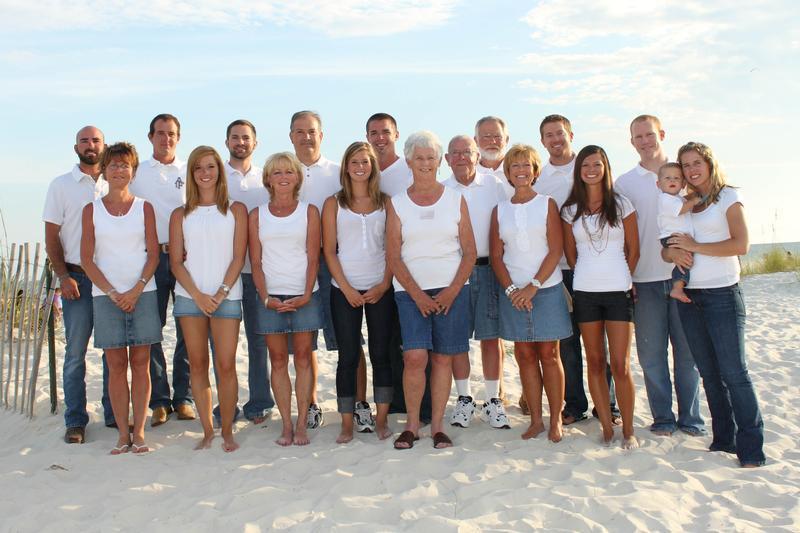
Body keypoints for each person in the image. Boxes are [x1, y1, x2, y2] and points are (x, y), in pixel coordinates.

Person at [665, 142, 765, 467]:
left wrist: (696, 246)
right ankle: (724, 441)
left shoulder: (728, 197)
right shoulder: (683, 203)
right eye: (686, 165)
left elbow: (741, 244)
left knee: (734, 373)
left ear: (709, 163)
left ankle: (752, 450)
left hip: (723, 294)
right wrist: (671, 252)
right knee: (709, 373)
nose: (692, 170)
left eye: (697, 162)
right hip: (689, 297)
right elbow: (668, 246)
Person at [387, 131, 477, 450]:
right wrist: (418, 295)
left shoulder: (455, 199)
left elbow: (469, 251)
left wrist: (452, 290)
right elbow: (393, 256)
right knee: (414, 357)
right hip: (410, 292)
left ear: (439, 162)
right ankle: (412, 425)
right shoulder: (397, 203)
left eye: (431, 158)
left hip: (452, 290)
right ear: (409, 161)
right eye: (419, 158)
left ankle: (437, 426)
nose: (425, 163)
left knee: (442, 359)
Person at [615, 115, 704, 437]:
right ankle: (663, 418)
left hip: (687, 276)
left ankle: (691, 419)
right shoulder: (624, 183)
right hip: (644, 279)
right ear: (632, 142)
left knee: (687, 355)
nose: (645, 141)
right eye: (638, 137)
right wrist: (627, 277)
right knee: (651, 356)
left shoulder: (684, 173)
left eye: (649, 134)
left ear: (661, 134)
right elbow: (621, 234)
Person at [535, 115, 620, 426]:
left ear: (570, 135)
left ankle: (607, 404)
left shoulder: (589, 168)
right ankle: (574, 405)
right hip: (559, 270)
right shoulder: (540, 179)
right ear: (542, 141)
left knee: (599, 343)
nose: (555, 139)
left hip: (595, 269)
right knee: (567, 342)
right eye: (549, 135)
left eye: (560, 133)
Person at [80, 142, 160, 454]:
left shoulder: (144, 208)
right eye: (113, 165)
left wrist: (136, 289)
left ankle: (138, 432)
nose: (119, 170)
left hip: (143, 293)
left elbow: (153, 255)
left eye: (125, 165)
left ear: (133, 171)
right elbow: (87, 259)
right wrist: (113, 293)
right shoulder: (92, 210)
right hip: (106, 296)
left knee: (140, 363)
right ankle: (122, 434)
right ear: (104, 170)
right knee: (115, 365)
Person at [561, 145, 640, 449]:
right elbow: (571, 254)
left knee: (620, 364)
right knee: (595, 361)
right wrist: (587, 275)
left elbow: (633, 249)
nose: (591, 170)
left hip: (619, 292)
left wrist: (624, 278)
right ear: (579, 171)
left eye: (597, 164)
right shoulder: (570, 210)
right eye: (585, 165)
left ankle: (628, 430)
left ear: (605, 167)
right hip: (585, 293)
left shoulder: (622, 205)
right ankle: (606, 428)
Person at [169, 146, 247, 452]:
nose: (205, 173)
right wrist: (199, 296)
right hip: (190, 299)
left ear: (219, 171)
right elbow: (176, 262)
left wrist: (220, 292)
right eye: (198, 168)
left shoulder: (235, 210)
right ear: (191, 173)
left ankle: (227, 430)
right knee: (198, 365)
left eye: (210, 167)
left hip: (227, 297)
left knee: (226, 365)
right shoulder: (180, 215)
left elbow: (239, 257)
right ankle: (207, 431)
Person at [491, 144, 571, 441]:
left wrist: (533, 286)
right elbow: (496, 256)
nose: (521, 171)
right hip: (513, 293)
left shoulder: (547, 204)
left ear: (535, 171)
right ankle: (536, 420)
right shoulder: (500, 210)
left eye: (526, 165)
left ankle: (555, 419)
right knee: (524, 354)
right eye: (515, 166)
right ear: (508, 173)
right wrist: (513, 289)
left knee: (549, 354)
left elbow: (556, 249)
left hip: (546, 289)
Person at [42, 125, 114, 443]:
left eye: (96, 140)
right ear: (76, 148)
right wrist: (63, 276)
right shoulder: (61, 185)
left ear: (104, 146)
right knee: (75, 354)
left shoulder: (116, 181)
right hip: (77, 279)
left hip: (110, 279)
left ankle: (113, 414)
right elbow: (51, 237)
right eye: (84, 141)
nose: (90, 145)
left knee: (112, 351)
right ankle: (75, 420)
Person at [323, 142, 395, 443]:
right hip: (344, 289)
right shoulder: (333, 203)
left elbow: (393, 248)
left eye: (365, 161)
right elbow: (329, 251)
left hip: (380, 287)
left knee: (381, 354)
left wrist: (384, 284)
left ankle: (381, 421)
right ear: (346, 167)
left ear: (372, 166)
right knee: (348, 355)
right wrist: (347, 288)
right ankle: (346, 424)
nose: (360, 167)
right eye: (354, 161)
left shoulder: (386, 202)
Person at [250, 152, 323, 446]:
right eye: (276, 172)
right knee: (278, 360)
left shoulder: (309, 212)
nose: (283, 177)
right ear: (268, 179)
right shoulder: (257, 215)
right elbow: (256, 262)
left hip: (304, 294)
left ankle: (302, 423)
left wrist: (306, 294)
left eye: (289, 172)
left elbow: (313, 257)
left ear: (298, 177)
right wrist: (265, 297)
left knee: (303, 358)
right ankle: (286, 424)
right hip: (271, 298)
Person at [129, 114, 195, 427]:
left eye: (171, 134)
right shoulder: (137, 172)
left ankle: (184, 398)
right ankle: (159, 401)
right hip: (150, 258)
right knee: (151, 330)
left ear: (178, 138)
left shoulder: (190, 170)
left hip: (184, 258)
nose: (166, 139)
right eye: (160, 133)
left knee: (187, 328)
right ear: (150, 137)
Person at [366, 112, 430, 422]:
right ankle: (394, 402)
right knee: (386, 338)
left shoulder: (407, 170)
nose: (380, 138)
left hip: (409, 265)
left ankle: (423, 405)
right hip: (374, 266)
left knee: (413, 340)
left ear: (396, 135)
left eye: (385, 132)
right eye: (374, 133)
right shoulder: (364, 169)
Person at [443, 135, 509, 429]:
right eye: (455, 153)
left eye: (467, 152)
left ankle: (493, 399)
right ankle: (465, 398)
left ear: (477, 155)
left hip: (488, 269)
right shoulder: (442, 189)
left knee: (490, 337)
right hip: (454, 271)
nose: (461, 158)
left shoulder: (494, 185)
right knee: (458, 338)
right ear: (447, 159)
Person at [289, 110, 341, 430]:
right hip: (296, 264)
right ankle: (310, 403)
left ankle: (354, 402)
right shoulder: (282, 171)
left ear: (321, 135)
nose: (306, 137)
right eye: (299, 131)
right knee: (304, 342)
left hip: (334, 260)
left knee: (344, 337)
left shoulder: (337, 172)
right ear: (291, 136)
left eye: (311, 131)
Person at [224, 119, 274, 425]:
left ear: (255, 143)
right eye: (235, 137)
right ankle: (226, 404)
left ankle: (259, 402)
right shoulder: (215, 175)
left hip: (257, 271)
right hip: (223, 272)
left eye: (246, 138)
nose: (240, 142)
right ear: (227, 142)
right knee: (224, 344)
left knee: (258, 340)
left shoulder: (265, 179)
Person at [656, 162, 703, 303]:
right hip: (672, 236)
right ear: (658, 184)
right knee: (685, 259)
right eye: (667, 178)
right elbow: (681, 210)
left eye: (676, 178)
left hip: (677, 236)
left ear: (683, 184)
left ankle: (678, 287)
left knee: (684, 259)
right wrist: (694, 200)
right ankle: (677, 288)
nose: (672, 180)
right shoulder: (665, 199)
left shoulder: (678, 198)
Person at [474, 116, 514, 198]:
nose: (492, 141)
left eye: (497, 136)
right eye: (486, 136)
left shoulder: (520, 172)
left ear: (506, 140)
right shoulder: (469, 175)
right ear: (476, 141)